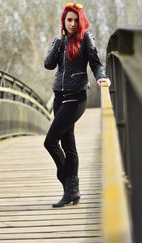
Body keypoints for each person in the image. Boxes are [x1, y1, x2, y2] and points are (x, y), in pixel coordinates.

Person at [44, 3, 111, 208]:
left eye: (75, 20)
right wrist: (58, 39)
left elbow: (96, 64)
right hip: (59, 96)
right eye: (68, 20)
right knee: (67, 144)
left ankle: (70, 185)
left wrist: (101, 77)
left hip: (76, 97)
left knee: (50, 141)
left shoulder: (86, 39)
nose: (72, 24)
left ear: (80, 21)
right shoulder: (61, 41)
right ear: (63, 21)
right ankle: (71, 191)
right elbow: (48, 64)